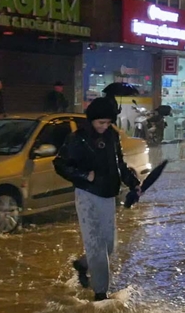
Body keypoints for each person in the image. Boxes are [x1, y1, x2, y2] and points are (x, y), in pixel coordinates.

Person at [53, 97, 141, 301]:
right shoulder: (78, 138)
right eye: (100, 122)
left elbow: (120, 164)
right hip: (87, 195)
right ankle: (101, 295)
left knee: (109, 246)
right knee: (96, 247)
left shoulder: (112, 136)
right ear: (91, 120)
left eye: (108, 123)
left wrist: (132, 182)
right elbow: (60, 164)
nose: (104, 126)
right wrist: (84, 175)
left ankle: (83, 265)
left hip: (108, 194)